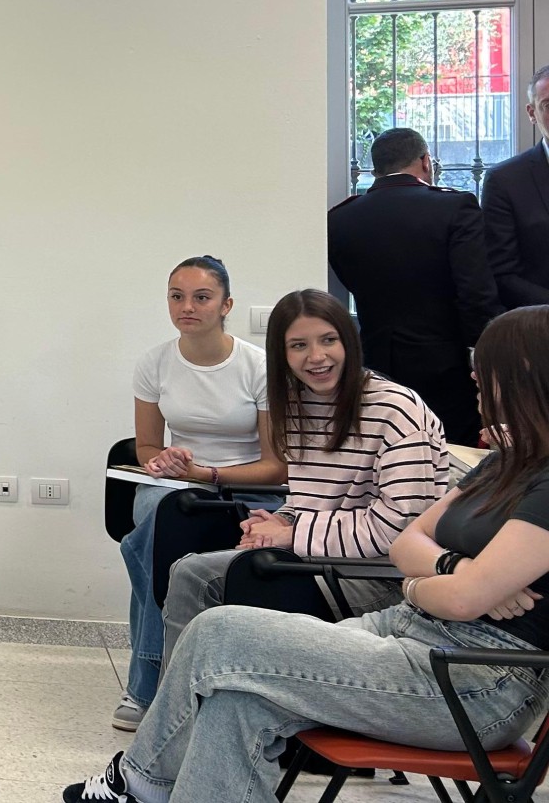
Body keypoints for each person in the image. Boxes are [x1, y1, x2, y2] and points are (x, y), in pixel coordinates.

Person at [64, 305, 549, 803]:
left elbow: (422, 557)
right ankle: (144, 784)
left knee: (217, 630)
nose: (473, 377)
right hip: (408, 628)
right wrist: (453, 570)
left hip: (473, 679)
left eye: (483, 368)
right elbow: (413, 544)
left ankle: (139, 782)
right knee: (235, 700)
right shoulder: (506, 462)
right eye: (298, 345)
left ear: (526, 373)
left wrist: (427, 581)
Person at [154, 288, 448, 678]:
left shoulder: (396, 408)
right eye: (299, 345)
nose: (317, 356)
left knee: (251, 579)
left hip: (380, 577)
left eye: (328, 340)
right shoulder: (296, 404)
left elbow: (400, 529)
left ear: (349, 341)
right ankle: (178, 706)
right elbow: (310, 497)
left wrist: (292, 534)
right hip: (319, 557)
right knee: (189, 572)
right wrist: (279, 521)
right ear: (282, 354)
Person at [114, 257, 285, 731]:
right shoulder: (154, 362)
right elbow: (147, 448)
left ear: (226, 305)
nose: (186, 306)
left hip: (249, 488)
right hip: (178, 486)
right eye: (177, 296)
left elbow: (278, 465)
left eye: (201, 297)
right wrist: (163, 462)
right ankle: (157, 678)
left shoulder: (258, 366)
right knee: (157, 520)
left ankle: (146, 683)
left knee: (146, 541)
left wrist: (208, 473)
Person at [330, 126, 502, 443]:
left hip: (375, 359)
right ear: (425, 161)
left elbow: (347, 279)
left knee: (387, 446)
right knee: (451, 451)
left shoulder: (340, 218)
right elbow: (476, 293)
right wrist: (486, 353)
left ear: (375, 170)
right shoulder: (454, 207)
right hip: (446, 364)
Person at [484, 66, 549, 309]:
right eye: (548, 105)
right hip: (541, 322)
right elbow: (501, 273)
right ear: (532, 113)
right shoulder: (505, 181)